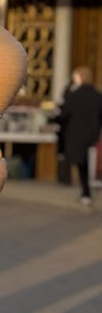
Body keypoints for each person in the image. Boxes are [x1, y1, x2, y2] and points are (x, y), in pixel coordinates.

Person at [59, 66, 102, 207]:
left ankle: (86, 192)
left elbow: (65, 113)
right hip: (92, 134)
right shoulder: (97, 94)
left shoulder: (74, 94)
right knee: (88, 161)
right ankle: (87, 191)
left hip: (77, 134)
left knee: (81, 162)